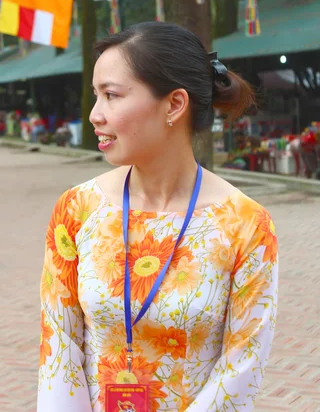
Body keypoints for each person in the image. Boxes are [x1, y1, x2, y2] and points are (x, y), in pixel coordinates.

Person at [37, 22, 278, 412]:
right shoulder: (77, 210)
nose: (95, 115)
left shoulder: (246, 224)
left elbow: (243, 363)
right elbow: (58, 347)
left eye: (112, 95)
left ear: (175, 105)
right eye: (96, 96)